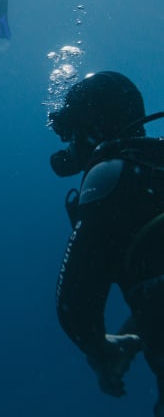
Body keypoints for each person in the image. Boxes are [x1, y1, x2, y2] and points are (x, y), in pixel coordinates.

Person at [49, 70, 164, 415]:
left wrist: (100, 348)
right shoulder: (153, 170)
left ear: (93, 128)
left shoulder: (108, 175)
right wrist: (133, 337)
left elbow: (74, 308)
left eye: (71, 133)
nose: (69, 148)